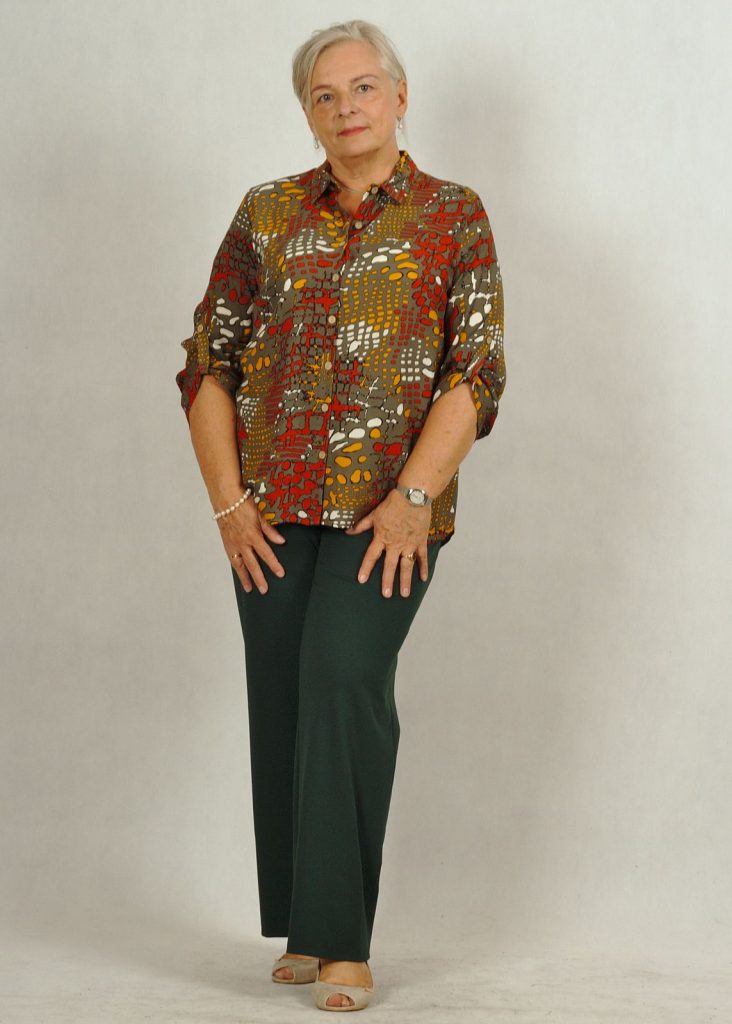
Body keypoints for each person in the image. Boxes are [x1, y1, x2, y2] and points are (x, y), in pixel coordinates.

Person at [175, 18, 506, 1013]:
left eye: (363, 87)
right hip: (270, 510)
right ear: (306, 112)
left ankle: (342, 943)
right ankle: (303, 924)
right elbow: (208, 361)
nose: (346, 106)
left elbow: (476, 372)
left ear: (400, 96)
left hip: (387, 516)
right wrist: (228, 503)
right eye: (324, 95)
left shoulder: (453, 214)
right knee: (284, 692)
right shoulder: (266, 211)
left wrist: (414, 499)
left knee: (342, 676)